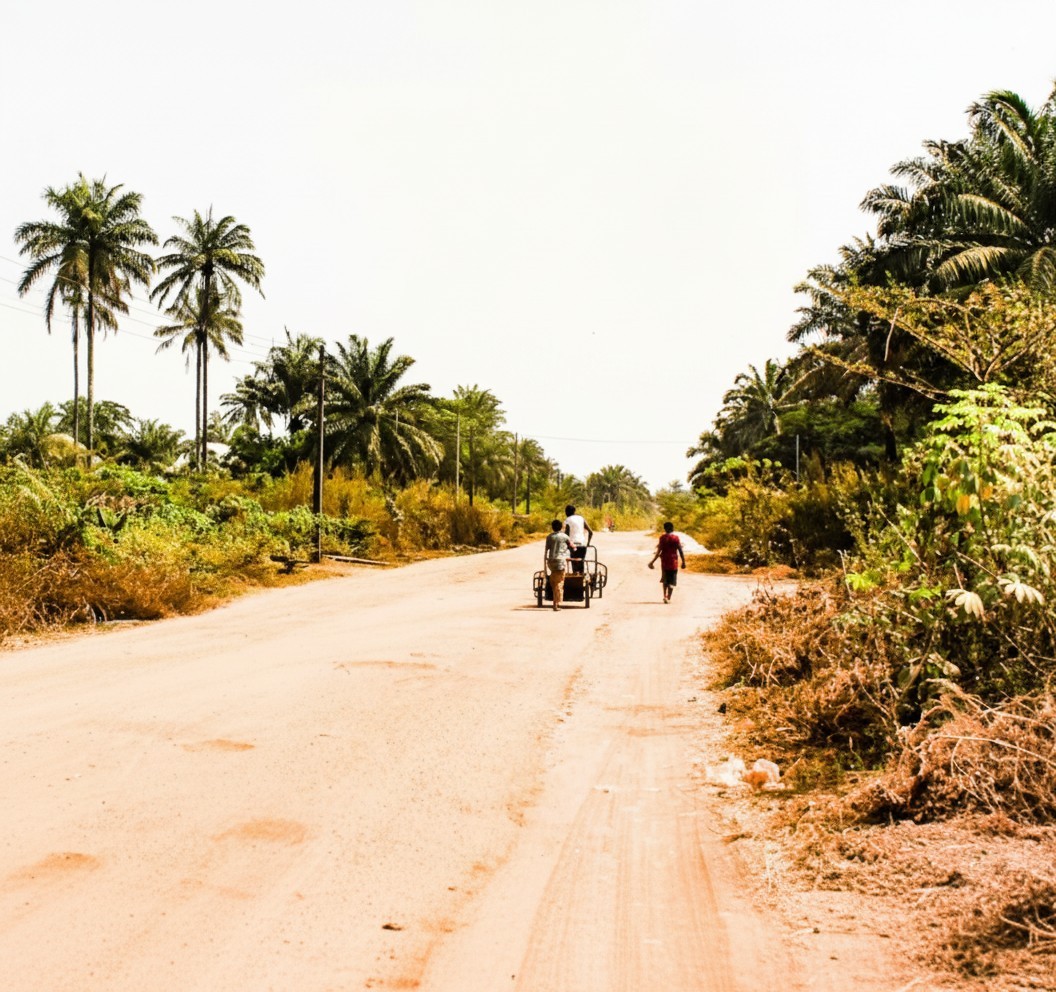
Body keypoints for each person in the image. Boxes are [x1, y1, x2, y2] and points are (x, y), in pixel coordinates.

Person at [648, 521, 686, 603]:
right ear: (673, 528)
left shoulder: (662, 538)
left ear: (665, 529)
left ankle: (664, 596)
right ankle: (669, 597)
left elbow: (659, 551)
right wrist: (683, 561)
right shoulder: (676, 538)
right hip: (673, 562)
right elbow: (680, 550)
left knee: (665, 579)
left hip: (664, 562)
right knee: (672, 580)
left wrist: (652, 562)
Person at [544, 519, 572, 611]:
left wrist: (545, 564)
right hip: (560, 562)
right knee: (559, 582)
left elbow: (546, 550)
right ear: (561, 527)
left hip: (551, 562)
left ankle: (554, 604)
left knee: (553, 582)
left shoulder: (549, 537)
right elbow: (572, 545)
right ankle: (556, 605)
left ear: (552, 527)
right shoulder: (565, 536)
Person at [563, 504, 593, 573]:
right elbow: (591, 532)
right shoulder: (581, 518)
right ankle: (581, 579)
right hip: (583, 545)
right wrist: (588, 543)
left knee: (574, 564)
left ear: (567, 512)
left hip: (573, 545)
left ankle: (576, 580)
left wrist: (566, 544)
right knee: (581, 563)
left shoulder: (568, 520)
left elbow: (566, 535)